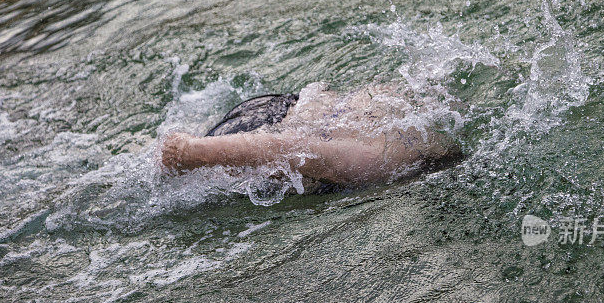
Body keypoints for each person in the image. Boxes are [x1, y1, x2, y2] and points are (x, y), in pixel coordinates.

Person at [160, 82, 462, 187]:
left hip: (282, 107)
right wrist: (192, 152)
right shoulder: (383, 160)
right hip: (256, 137)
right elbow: (289, 147)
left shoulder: (402, 108)